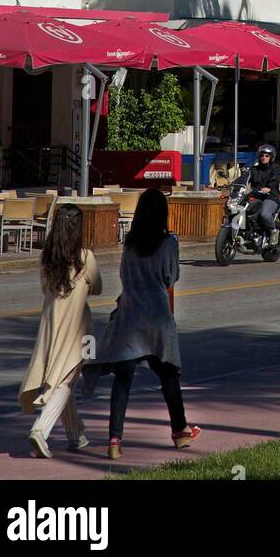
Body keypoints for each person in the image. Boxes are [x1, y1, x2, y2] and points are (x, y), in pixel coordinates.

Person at [83, 187, 199, 460]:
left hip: (129, 318)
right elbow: (170, 279)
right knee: (169, 376)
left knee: (122, 382)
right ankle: (180, 431)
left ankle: (114, 440)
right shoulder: (169, 243)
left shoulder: (130, 244)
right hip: (157, 319)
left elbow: (124, 277)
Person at [19, 202, 101, 459]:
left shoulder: (47, 258)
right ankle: (41, 430)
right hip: (80, 329)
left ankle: (76, 434)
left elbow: (45, 290)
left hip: (51, 326)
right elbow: (97, 287)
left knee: (63, 379)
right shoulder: (85, 257)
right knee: (66, 380)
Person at [247, 143, 280, 239]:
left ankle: (273, 231)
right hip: (256, 196)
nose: (264, 157)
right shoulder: (254, 169)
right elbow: (244, 178)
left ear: (271, 157)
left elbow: (275, 179)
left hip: (270, 197)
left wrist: (269, 187)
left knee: (264, 215)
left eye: (267, 156)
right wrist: (232, 185)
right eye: (262, 155)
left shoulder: (275, 168)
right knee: (242, 210)